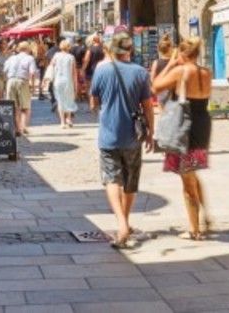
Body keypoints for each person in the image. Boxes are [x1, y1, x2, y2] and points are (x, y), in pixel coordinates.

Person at [90, 32, 153, 249]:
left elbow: (93, 102)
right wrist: (151, 132)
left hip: (108, 134)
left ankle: (121, 223)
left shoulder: (102, 71)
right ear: (130, 50)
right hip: (133, 136)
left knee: (111, 179)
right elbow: (147, 106)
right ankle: (126, 221)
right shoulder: (140, 73)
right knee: (130, 181)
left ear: (112, 50)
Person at [152, 37, 213, 241]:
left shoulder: (181, 71)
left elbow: (155, 86)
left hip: (184, 127)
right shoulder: (206, 73)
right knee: (193, 174)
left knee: (187, 181)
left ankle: (194, 230)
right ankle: (205, 218)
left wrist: (171, 63)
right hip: (202, 125)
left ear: (183, 54)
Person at [2, 41, 38, 136]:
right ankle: (23, 127)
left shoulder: (11, 58)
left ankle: (17, 128)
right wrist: (32, 85)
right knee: (25, 107)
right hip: (22, 81)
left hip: (11, 81)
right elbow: (32, 72)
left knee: (14, 106)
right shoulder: (30, 58)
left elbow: (4, 70)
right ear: (28, 49)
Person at [48, 40, 78, 128]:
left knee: (60, 101)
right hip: (68, 81)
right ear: (69, 47)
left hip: (58, 80)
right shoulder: (71, 57)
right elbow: (74, 72)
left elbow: (51, 66)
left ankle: (62, 122)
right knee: (69, 99)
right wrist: (76, 84)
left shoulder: (56, 56)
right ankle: (68, 118)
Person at [150, 34, 175, 113]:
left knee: (163, 118)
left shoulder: (156, 63)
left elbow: (152, 80)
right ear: (170, 49)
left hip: (161, 94)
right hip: (174, 94)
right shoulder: (175, 62)